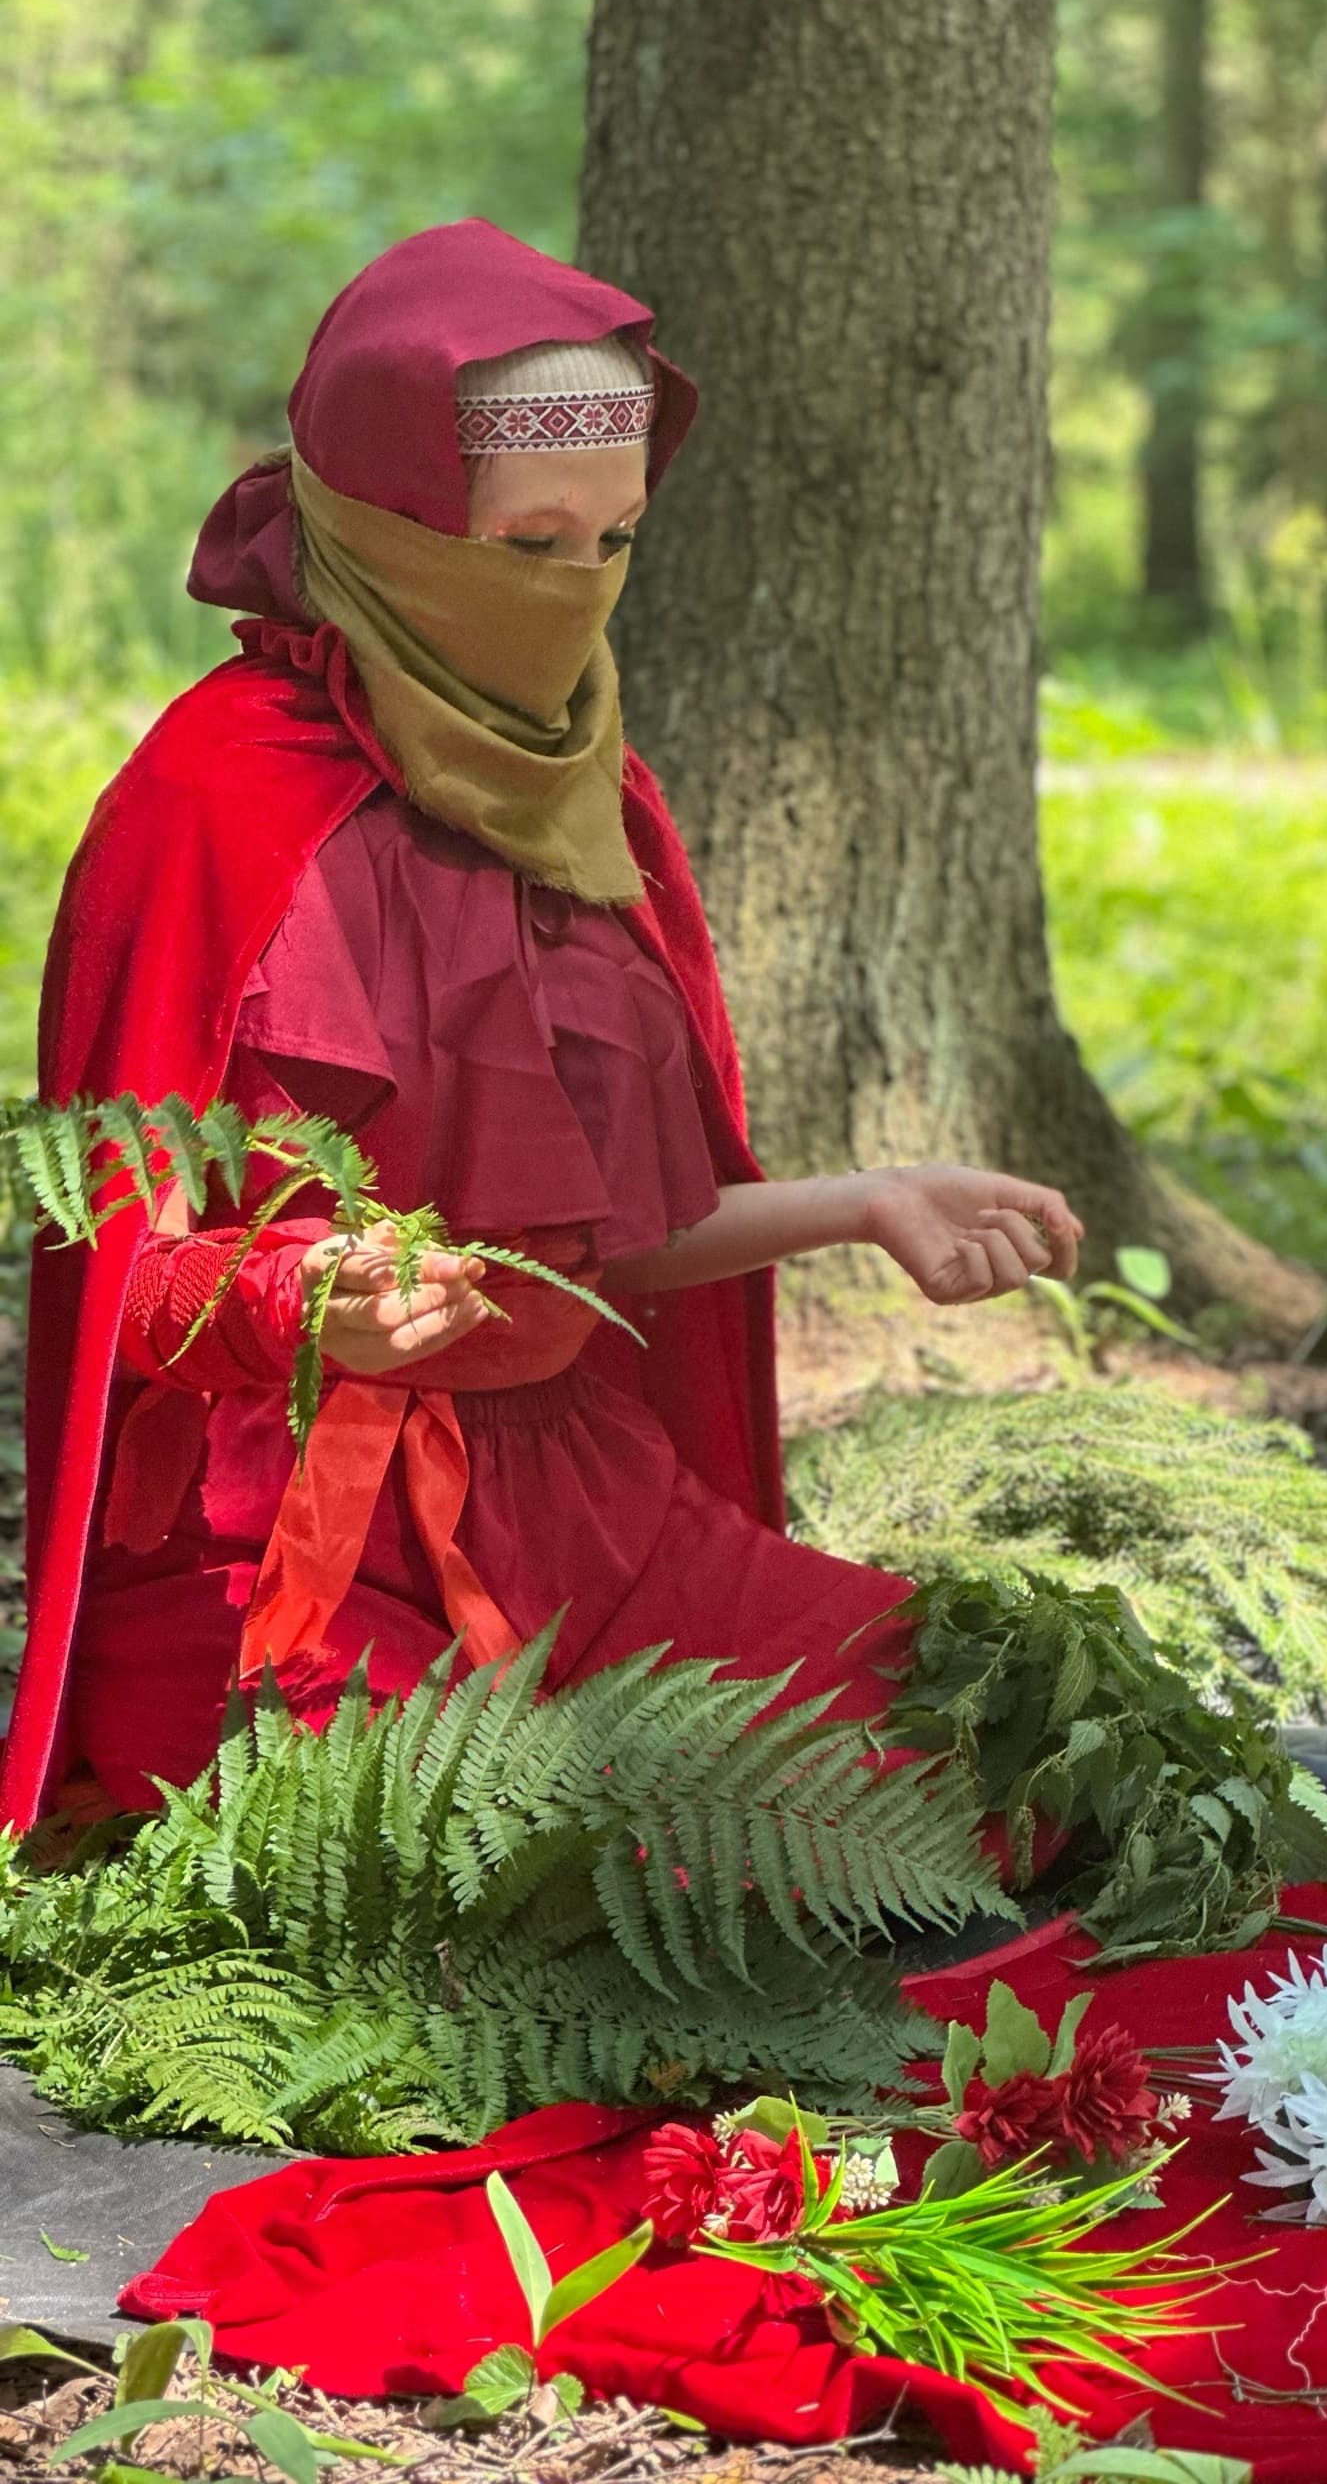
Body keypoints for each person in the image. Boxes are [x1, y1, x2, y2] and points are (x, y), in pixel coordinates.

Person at [0, 220, 1081, 1828]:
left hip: (583, 1505)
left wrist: (867, 1203)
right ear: (388, 525)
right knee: (549, 1875)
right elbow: (118, 1284)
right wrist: (304, 1303)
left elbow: (596, 1242)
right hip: (276, 1547)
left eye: (614, 539)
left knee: (1005, 1764)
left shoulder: (593, 793)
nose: (576, 590)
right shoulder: (211, 801)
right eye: (526, 544)